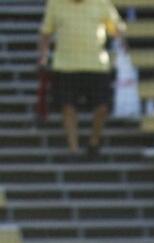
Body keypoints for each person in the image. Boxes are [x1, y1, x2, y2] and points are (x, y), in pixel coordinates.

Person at [38, 0, 126, 158]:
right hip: (65, 65)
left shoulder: (101, 3)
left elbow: (115, 28)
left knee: (102, 107)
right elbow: (46, 32)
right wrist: (43, 57)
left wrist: (119, 35)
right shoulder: (55, 3)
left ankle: (94, 141)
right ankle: (74, 148)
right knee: (67, 107)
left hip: (97, 65)